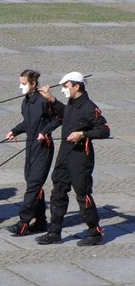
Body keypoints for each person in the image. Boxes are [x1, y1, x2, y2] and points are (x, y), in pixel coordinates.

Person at [36, 72, 110, 246]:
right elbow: (66, 114)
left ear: (76, 86)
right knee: (58, 192)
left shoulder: (89, 107)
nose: (64, 90)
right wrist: (51, 98)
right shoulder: (71, 102)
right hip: (64, 154)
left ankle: (94, 232)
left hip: (80, 158)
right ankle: (54, 232)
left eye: (66, 87)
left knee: (82, 194)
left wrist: (83, 134)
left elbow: (104, 130)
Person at [5, 70, 62, 236]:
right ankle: (41, 220)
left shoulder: (43, 100)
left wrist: (44, 131)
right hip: (31, 145)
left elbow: (58, 118)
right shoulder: (26, 101)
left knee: (34, 184)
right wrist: (14, 131)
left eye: (23, 83)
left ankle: (23, 222)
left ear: (32, 84)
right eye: (20, 83)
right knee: (31, 180)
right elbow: (28, 122)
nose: (20, 86)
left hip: (43, 146)